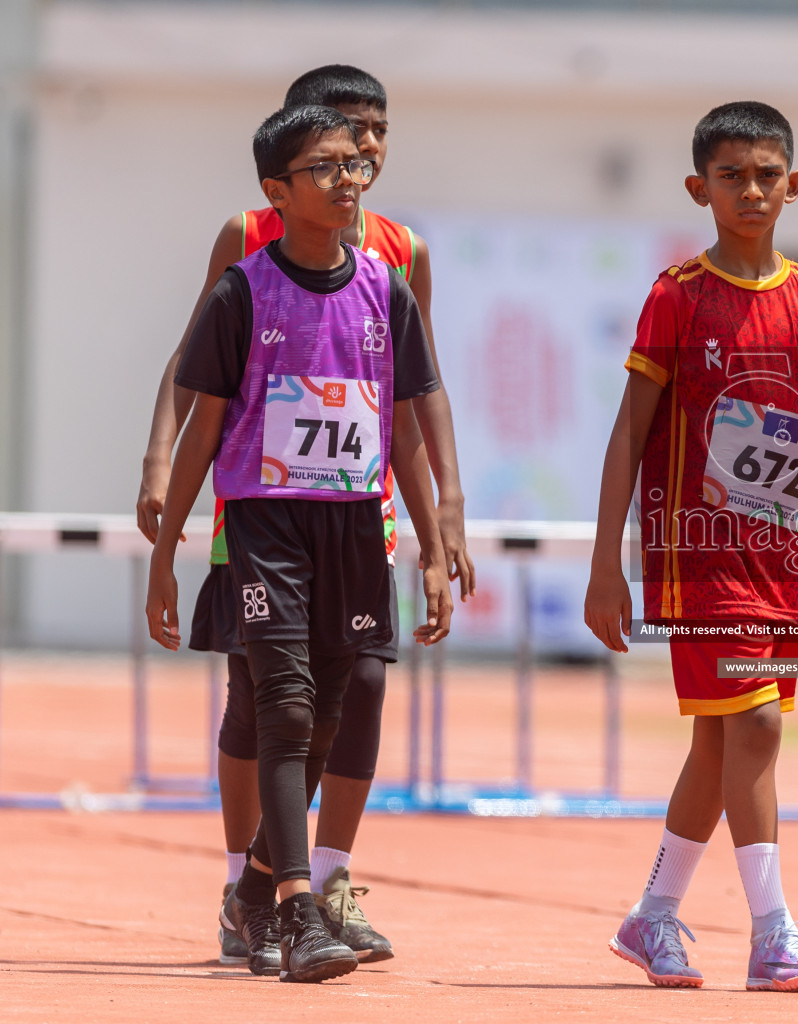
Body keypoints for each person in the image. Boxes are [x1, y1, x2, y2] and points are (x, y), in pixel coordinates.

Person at [133, 64, 474, 966]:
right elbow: (204, 404)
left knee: (334, 702)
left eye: (363, 150)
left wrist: (440, 529)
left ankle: (268, 884)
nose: (354, 166)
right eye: (328, 158)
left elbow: (406, 413)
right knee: (276, 704)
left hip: (358, 523)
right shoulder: (244, 278)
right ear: (278, 188)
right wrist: (165, 537)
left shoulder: (390, 281)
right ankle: (291, 902)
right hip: (263, 520)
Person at [584, 100, 798, 993]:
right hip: (697, 561)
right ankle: (773, 933)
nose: (752, 190)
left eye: (768, 175)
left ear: (793, 185)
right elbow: (628, 432)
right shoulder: (677, 296)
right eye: (732, 176)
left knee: (722, 747)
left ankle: (653, 918)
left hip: (782, 563)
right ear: (701, 188)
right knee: (756, 724)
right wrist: (606, 561)